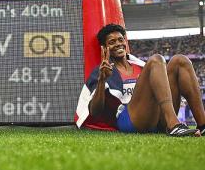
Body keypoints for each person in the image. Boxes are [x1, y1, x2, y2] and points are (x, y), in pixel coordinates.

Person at [74, 24, 205, 136]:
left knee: (180, 60)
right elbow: (94, 112)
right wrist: (102, 80)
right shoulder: (102, 71)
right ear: (104, 48)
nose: (118, 44)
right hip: (130, 119)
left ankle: (202, 124)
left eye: (120, 39)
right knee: (156, 59)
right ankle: (173, 125)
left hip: (157, 117)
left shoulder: (140, 66)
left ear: (125, 42)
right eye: (112, 42)